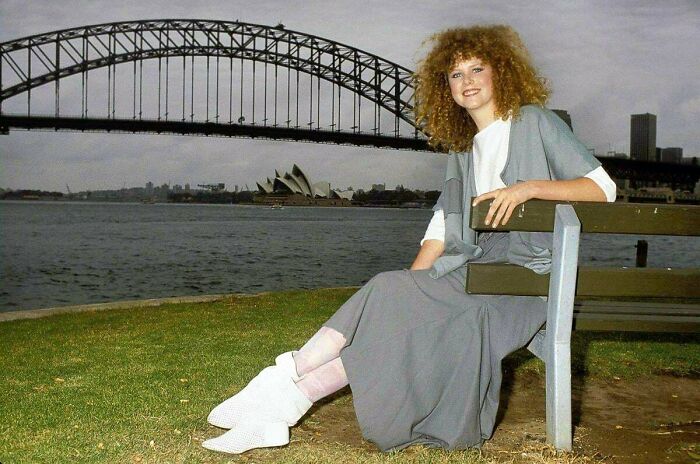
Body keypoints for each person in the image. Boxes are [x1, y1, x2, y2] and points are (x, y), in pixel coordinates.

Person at [202, 24, 616, 455]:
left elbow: (604, 189)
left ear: (502, 73)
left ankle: (281, 396)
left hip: (529, 276)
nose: (468, 81)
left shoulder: (534, 121)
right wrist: (410, 291)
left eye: (477, 69)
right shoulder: (463, 151)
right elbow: (441, 228)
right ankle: (285, 388)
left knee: (410, 311)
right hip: (479, 268)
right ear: (446, 87)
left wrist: (528, 187)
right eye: (456, 75)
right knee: (389, 289)